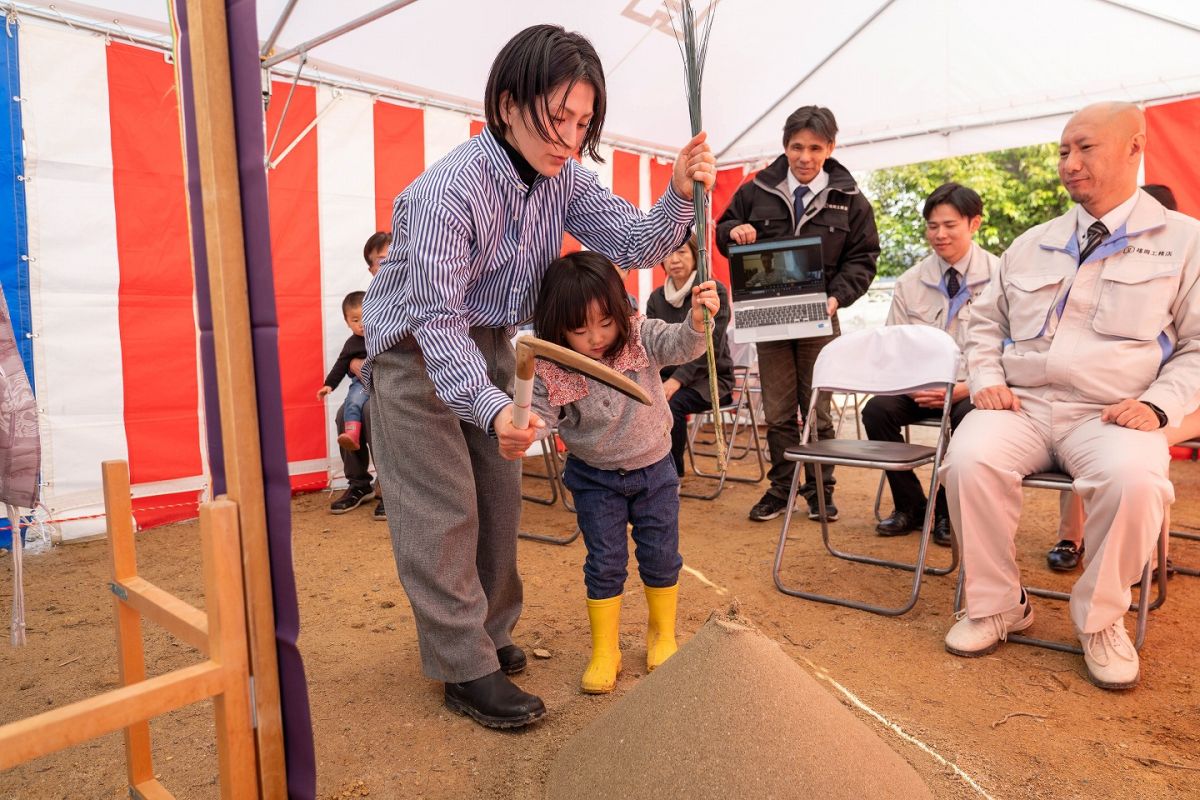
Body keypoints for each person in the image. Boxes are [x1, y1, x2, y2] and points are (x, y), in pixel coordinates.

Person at [361, 24, 715, 729]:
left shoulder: (565, 180)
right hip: (415, 354)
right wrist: (495, 410)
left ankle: (488, 635)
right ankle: (464, 668)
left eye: (583, 123)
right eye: (557, 117)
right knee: (443, 509)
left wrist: (677, 192)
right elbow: (437, 325)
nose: (568, 137)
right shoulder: (447, 193)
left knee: (499, 499)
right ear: (507, 104)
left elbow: (638, 242)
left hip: (497, 343)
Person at [941, 102, 1200, 690]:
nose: (1069, 163)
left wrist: (1160, 405)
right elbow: (981, 326)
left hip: (1114, 412)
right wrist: (986, 381)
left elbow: (1197, 343)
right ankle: (998, 604)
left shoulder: (1184, 242)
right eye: (1063, 151)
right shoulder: (1033, 243)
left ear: (1135, 147)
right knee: (968, 460)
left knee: (1136, 482)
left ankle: (1101, 619)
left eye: (1085, 148)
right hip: (1024, 406)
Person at [528, 251, 720, 692]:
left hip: (655, 468)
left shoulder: (640, 334)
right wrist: (526, 422)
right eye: (578, 329)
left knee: (660, 555)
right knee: (605, 561)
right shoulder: (551, 363)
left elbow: (684, 345)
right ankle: (605, 650)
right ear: (557, 327)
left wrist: (696, 321)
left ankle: (661, 634)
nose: (595, 337)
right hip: (594, 476)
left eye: (604, 322)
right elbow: (540, 415)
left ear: (620, 311)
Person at [716, 105, 880, 523]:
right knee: (778, 410)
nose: (804, 157)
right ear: (785, 146)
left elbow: (863, 259)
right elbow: (723, 229)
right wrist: (733, 231)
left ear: (831, 148)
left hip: (820, 316)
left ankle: (820, 491)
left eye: (814, 147)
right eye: (796, 147)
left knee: (819, 411)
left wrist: (835, 299)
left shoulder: (850, 200)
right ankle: (781, 488)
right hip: (768, 318)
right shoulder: (756, 190)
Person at [1046, 183, 1189, 571]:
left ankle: (1152, 549)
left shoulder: (1185, 251)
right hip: (1115, 395)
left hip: (1177, 396)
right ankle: (1070, 536)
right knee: (1079, 421)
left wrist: (1160, 404)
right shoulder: (1100, 256)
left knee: (1143, 446)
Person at [863, 183, 998, 546]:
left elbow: (1010, 349)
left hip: (974, 386)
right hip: (921, 386)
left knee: (969, 415)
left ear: (974, 224)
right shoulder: (911, 281)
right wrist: (913, 384)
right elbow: (895, 344)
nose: (939, 234)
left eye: (949, 225)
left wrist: (963, 389)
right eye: (932, 225)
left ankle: (946, 511)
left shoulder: (1001, 277)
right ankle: (911, 505)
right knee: (877, 411)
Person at [645, 236, 734, 476]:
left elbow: (710, 346)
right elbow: (652, 345)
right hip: (668, 380)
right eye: (668, 253)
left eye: (681, 252)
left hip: (709, 380)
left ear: (695, 256)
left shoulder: (711, 291)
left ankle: (670, 476)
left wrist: (677, 380)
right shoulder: (656, 298)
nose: (674, 260)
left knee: (672, 404)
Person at [330, 233, 391, 521]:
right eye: (380, 261)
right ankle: (359, 485)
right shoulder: (371, 301)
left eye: (392, 256)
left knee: (370, 412)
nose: (387, 264)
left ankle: (390, 488)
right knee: (345, 414)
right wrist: (354, 362)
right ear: (371, 269)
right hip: (372, 384)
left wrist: (365, 364)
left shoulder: (417, 294)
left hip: (405, 384)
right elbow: (354, 350)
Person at [318, 291, 370, 452]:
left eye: (366, 317)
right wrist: (328, 385)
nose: (361, 324)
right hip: (361, 384)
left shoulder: (383, 335)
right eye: (355, 320)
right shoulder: (352, 344)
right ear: (347, 322)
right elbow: (340, 365)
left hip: (385, 382)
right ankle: (351, 435)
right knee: (352, 402)